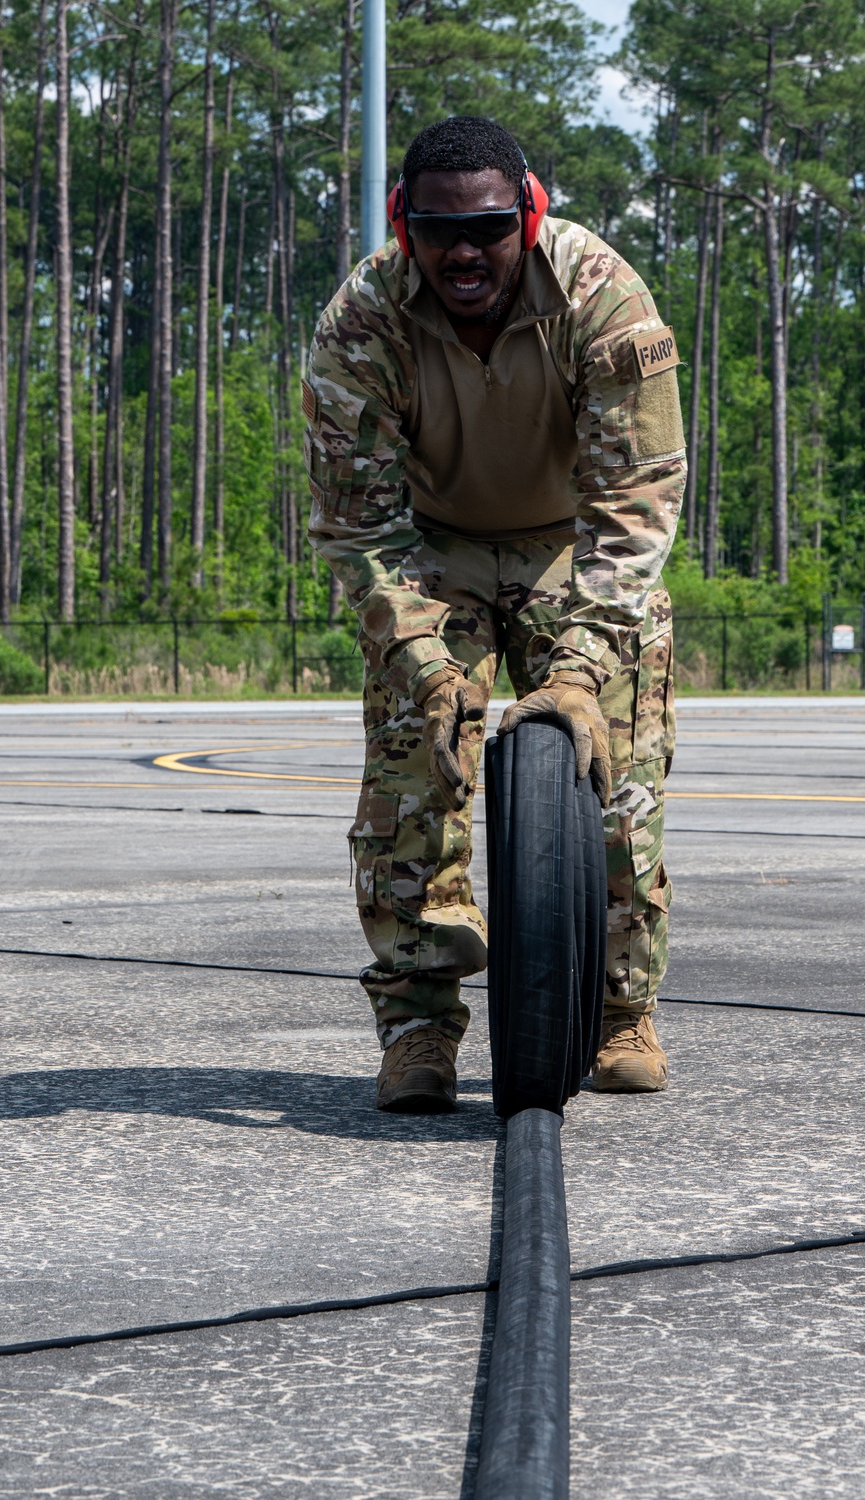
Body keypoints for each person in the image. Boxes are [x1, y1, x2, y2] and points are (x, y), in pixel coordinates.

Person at [304, 115, 685, 1112]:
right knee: (412, 767)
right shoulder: (363, 320)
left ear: (530, 213)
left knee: (619, 783)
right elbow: (356, 527)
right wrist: (421, 655)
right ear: (404, 226)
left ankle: (618, 1012)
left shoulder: (603, 296)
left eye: (487, 229)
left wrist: (579, 669)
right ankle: (418, 1024)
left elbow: (636, 503)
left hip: (577, 545)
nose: (464, 252)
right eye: (437, 232)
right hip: (434, 551)